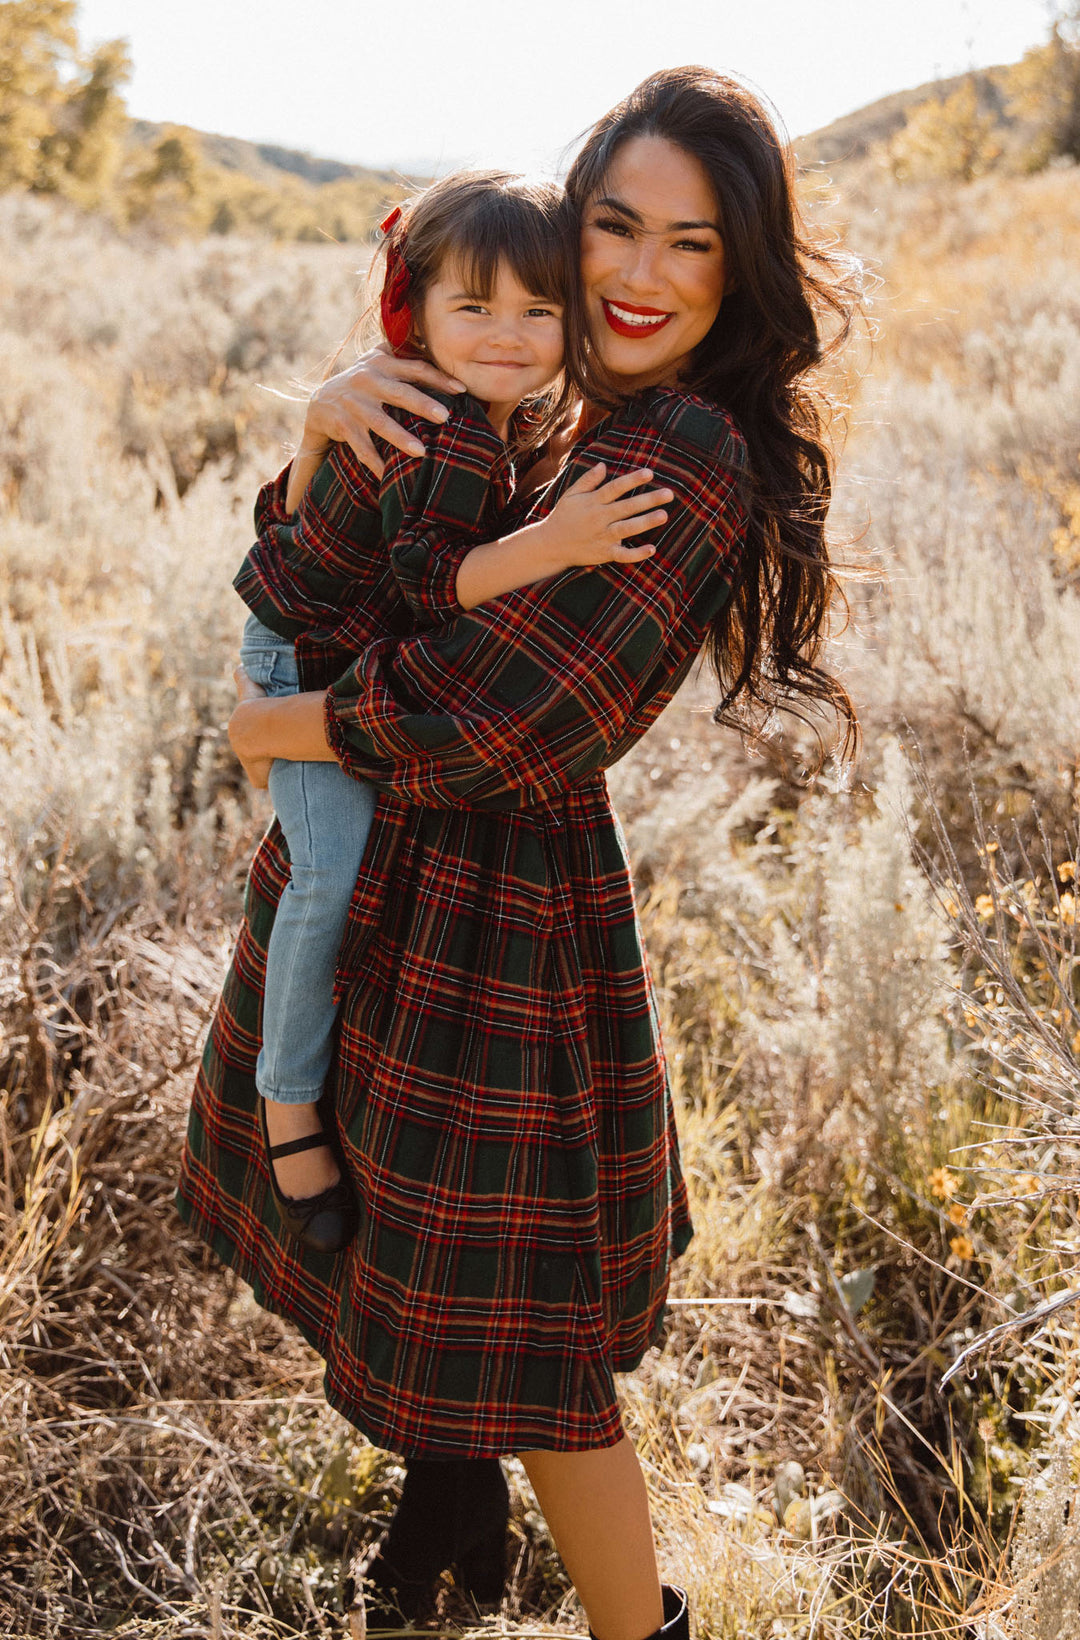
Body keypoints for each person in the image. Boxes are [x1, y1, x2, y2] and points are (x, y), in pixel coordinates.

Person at [177, 66, 858, 1640]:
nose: (635, 275)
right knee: (420, 1259)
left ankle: (643, 1628)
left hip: (505, 927)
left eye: (690, 247)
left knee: (536, 1346)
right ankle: (447, 1495)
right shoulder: (566, 398)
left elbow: (501, 722)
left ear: (740, 265)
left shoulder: (679, 452)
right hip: (428, 900)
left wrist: (282, 731)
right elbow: (359, 559)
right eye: (611, 228)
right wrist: (320, 421)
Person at [230, 169, 669, 1251]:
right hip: (303, 658)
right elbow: (431, 584)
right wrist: (554, 544)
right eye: (475, 306)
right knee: (331, 868)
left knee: (354, 861)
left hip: (323, 644)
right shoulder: (450, 428)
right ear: (417, 312)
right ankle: (287, 1098)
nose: (509, 333)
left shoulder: (478, 417)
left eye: (538, 308)